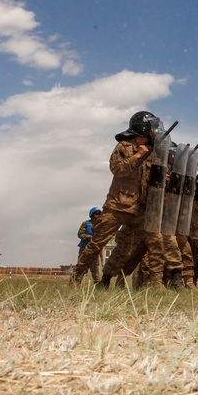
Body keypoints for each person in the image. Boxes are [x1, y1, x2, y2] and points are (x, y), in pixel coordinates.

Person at [75, 112, 163, 289]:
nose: (155, 132)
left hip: (139, 209)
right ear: (143, 128)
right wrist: (137, 156)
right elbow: (117, 169)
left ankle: (108, 281)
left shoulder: (154, 154)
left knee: (151, 242)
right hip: (118, 205)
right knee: (97, 243)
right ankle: (76, 278)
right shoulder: (124, 146)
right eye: (152, 128)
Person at [70, 207, 103, 284]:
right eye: (96, 213)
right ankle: (75, 284)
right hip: (84, 247)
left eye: (99, 213)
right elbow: (80, 234)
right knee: (81, 266)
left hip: (94, 248)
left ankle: (97, 285)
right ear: (92, 214)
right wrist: (88, 237)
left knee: (95, 268)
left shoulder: (101, 225)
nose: (98, 215)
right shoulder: (86, 223)